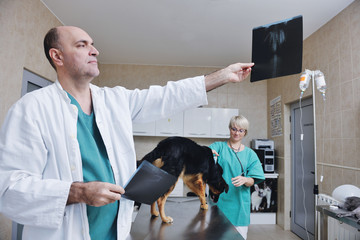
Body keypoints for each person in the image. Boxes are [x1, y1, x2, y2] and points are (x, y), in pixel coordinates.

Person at [0, 26, 254, 240]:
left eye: (93, 44)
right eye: (81, 45)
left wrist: (222, 76)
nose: (95, 50)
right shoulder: (31, 109)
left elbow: (166, 96)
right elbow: (9, 189)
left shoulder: (114, 100)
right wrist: (78, 192)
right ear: (57, 56)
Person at [210, 115, 265, 239]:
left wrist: (245, 179)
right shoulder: (219, 147)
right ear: (229, 129)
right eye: (234, 129)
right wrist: (207, 154)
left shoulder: (250, 154)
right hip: (220, 204)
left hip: (239, 206)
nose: (237, 133)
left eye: (241, 130)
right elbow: (205, 154)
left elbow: (253, 180)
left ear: (245, 132)